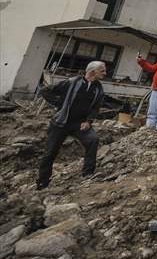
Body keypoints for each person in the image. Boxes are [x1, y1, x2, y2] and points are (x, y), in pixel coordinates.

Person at [37, 61, 106, 189]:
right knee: (50, 152)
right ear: (92, 71)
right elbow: (46, 91)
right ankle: (42, 182)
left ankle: (88, 174)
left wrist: (88, 121)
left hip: (79, 124)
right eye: (102, 71)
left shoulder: (98, 89)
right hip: (61, 123)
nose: (105, 73)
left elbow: (95, 108)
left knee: (93, 140)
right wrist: (59, 104)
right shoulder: (72, 82)